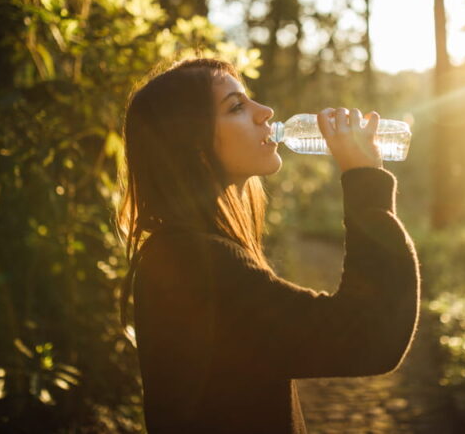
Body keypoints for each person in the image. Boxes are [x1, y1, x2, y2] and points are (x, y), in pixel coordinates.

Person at [117, 58, 419, 433]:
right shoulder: (197, 263)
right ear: (190, 143)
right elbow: (368, 335)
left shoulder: (184, 252)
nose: (266, 113)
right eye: (237, 107)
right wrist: (364, 182)